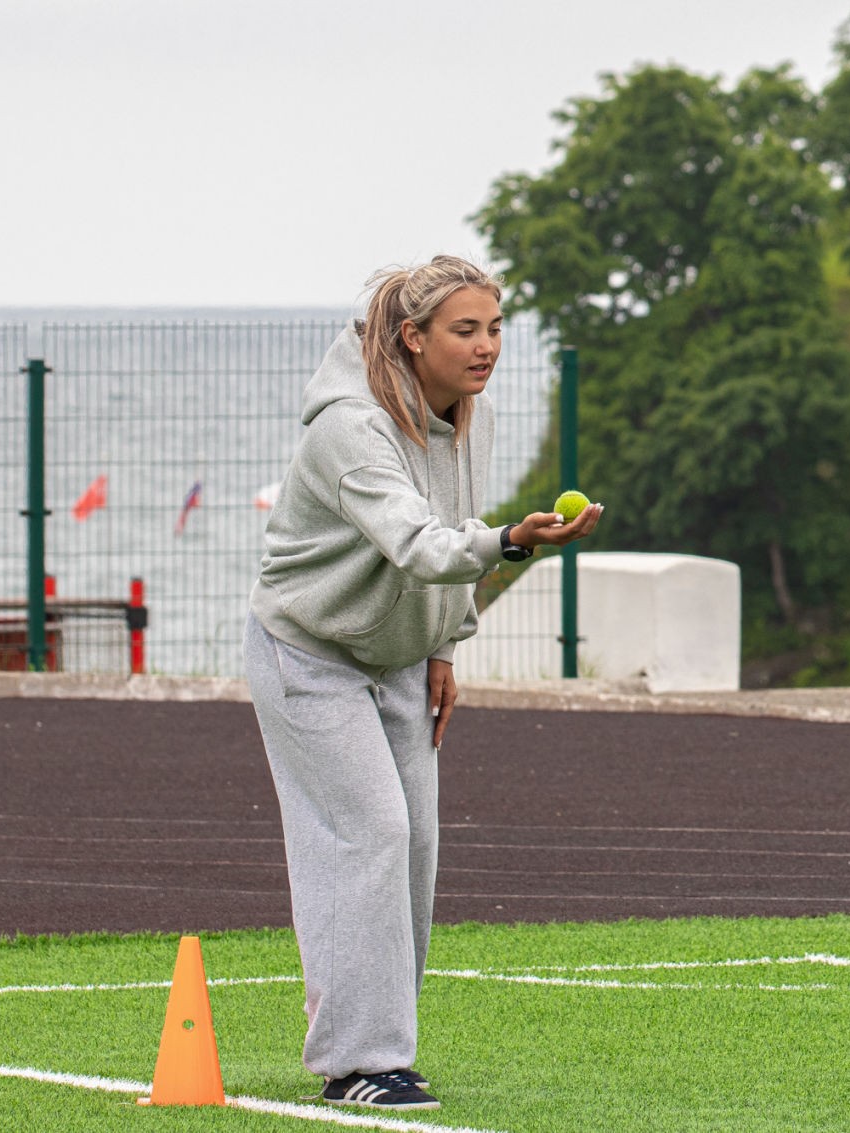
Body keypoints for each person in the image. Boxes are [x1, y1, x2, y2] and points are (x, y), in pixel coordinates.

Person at [244, 255, 601, 1111]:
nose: (487, 346)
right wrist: (512, 539)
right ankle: (357, 1061)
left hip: (402, 652)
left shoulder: (467, 415)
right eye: (465, 330)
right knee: (368, 832)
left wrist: (446, 647)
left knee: (414, 846)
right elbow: (417, 542)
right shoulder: (350, 429)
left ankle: (381, 1048)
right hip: (309, 651)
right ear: (413, 336)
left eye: (495, 328)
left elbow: (446, 534)